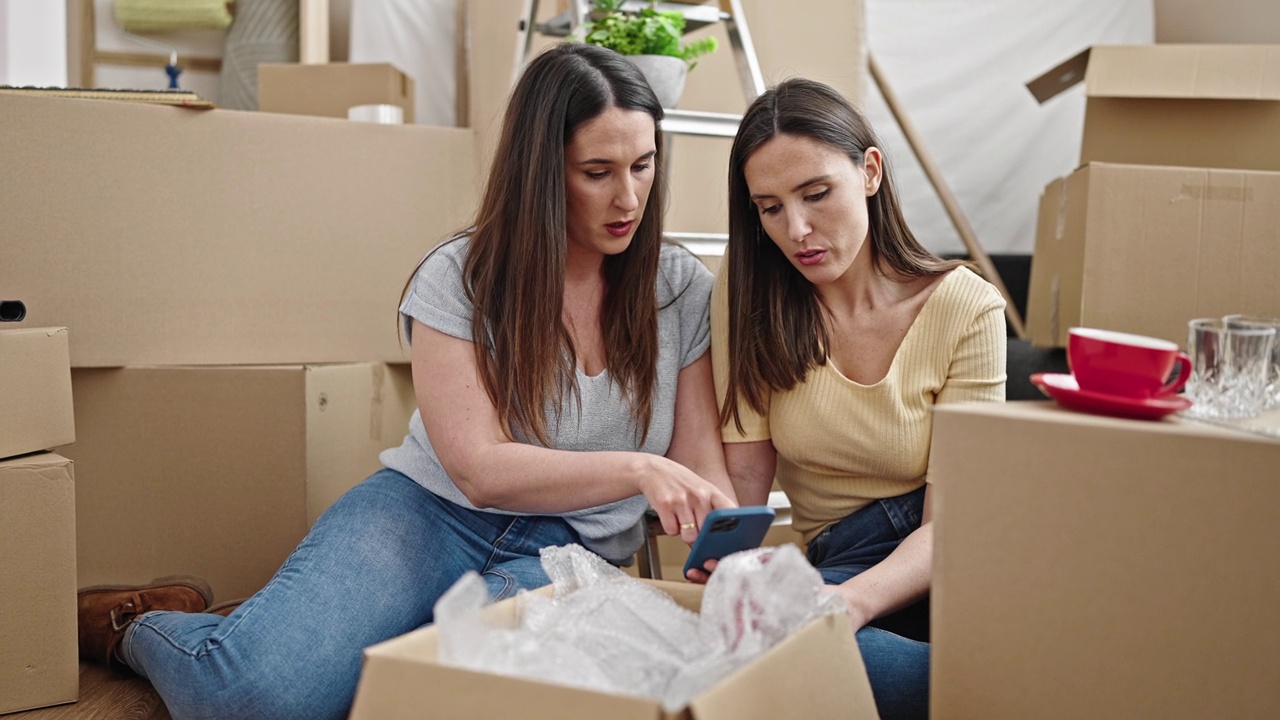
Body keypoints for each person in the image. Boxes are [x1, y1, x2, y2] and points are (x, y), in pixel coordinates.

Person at [75, 42, 736, 720]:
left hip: (569, 549)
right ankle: (137, 626)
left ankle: (285, 634)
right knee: (246, 699)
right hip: (428, 514)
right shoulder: (458, 279)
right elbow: (478, 468)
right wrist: (635, 469)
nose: (628, 196)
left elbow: (699, 457)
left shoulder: (681, 290)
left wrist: (720, 528)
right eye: (597, 172)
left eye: (643, 164)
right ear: (543, 172)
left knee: (431, 697)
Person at [700, 78, 1007, 720]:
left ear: (869, 172)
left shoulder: (965, 305)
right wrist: (733, 568)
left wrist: (853, 603)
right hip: (844, 549)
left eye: (816, 194)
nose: (798, 230)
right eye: (770, 207)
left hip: (949, 545)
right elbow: (745, 469)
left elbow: (954, 521)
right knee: (766, 651)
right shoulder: (750, 289)